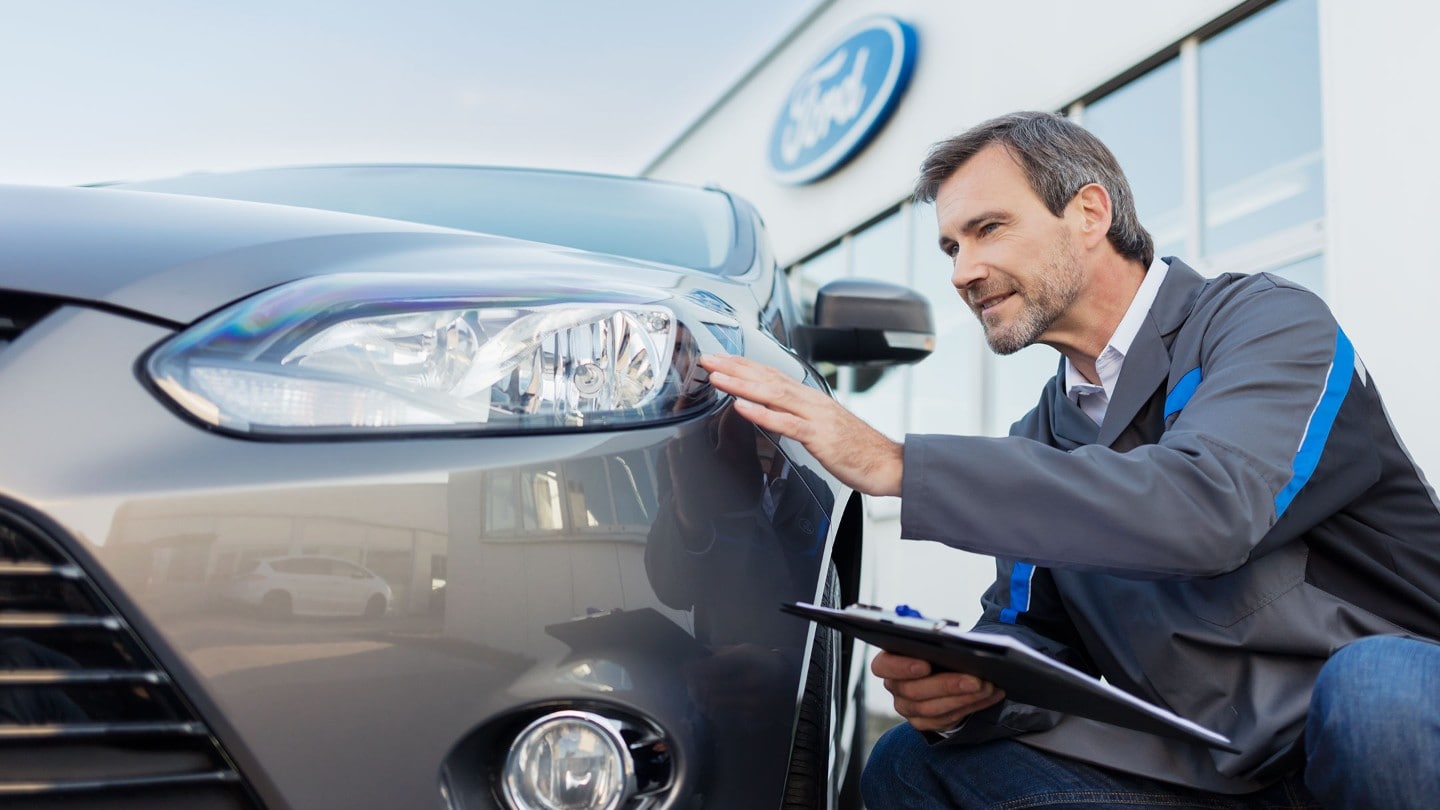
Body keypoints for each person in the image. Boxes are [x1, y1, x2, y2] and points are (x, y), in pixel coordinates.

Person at [697, 111, 1440, 808]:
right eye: (953, 246)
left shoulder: (1268, 323)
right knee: (910, 767)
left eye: (989, 229)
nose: (962, 271)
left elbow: (1212, 507)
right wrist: (970, 687)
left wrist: (900, 464)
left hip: (1375, 734)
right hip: (1208, 771)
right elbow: (1032, 636)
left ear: (1089, 214)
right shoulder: (1040, 437)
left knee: (1377, 691)